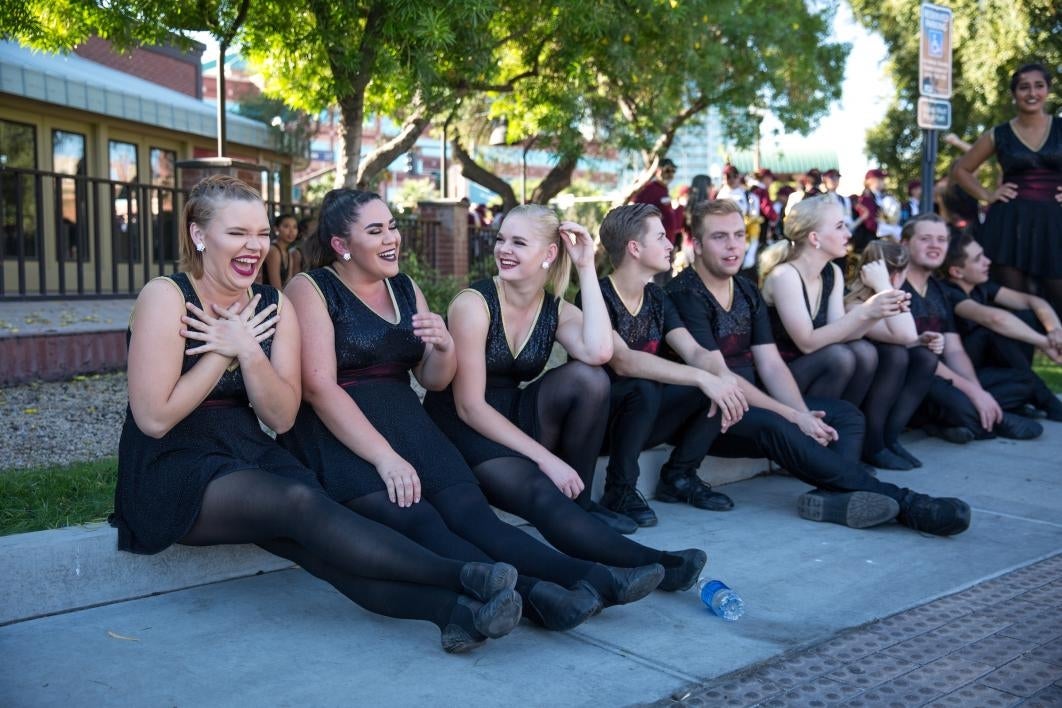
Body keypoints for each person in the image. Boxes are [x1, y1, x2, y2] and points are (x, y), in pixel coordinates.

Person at [110, 176, 522, 654]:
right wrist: (223, 354)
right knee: (301, 505)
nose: (255, 246)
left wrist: (250, 352)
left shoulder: (272, 303)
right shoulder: (166, 296)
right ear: (200, 236)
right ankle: (464, 575)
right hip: (172, 463)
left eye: (262, 233)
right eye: (237, 233)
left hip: (246, 451)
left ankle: (455, 614)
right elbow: (154, 419)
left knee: (319, 545)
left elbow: (282, 417)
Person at [280, 189, 656, 631]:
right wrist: (384, 457)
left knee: (473, 516)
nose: (391, 238)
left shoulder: (404, 286)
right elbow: (320, 387)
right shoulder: (311, 288)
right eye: (375, 230)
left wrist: (442, 346)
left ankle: (593, 578)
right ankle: (538, 597)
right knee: (422, 522)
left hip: (406, 420)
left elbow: (434, 378)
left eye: (393, 227)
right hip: (340, 432)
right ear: (342, 245)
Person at [424, 204, 708, 591]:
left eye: (519, 242)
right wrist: (548, 461)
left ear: (549, 254)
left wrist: (587, 267)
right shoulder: (473, 305)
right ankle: (650, 565)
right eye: (502, 239)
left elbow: (599, 353)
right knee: (539, 492)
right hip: (462, 427)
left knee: (589, 378)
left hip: (513, 413)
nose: (504, 249)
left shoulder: (555, 309)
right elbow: (469, 406)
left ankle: (583, 510)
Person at [665, 199, 971, 536]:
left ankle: (834, 498)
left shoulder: (746, 289)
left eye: (739, 235)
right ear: (696, 244)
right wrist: (793, 416)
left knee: (846, 417)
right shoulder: (685, 293)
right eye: (720, 237)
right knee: (778, 424)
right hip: (711, 416)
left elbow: (770, 363)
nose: (733, 245)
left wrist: (801, 412)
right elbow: (721, 376)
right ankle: (908, 504)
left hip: (753, 404)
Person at [584, 203, 749, 527]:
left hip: (647, 417)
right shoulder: (597, 295)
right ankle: (619, 489)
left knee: (711, 387)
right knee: (644, 386)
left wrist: (721, 377)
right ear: (634, 248)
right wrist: (702, 378)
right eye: (660, 237)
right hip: (602, 425)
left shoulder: (658, 298)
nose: (670, 245)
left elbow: (694, 351)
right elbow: (624, 361)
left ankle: (680, 475)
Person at [758, 197, 922, 470]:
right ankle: (806, 448)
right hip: (779, 379)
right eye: (839, 226)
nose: (848, 233)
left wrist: (876, 312)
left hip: (813, 372)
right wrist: (865, 312)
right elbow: (807, 342)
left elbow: (840, 332)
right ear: (815, 238)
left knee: (864, 352)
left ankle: (838, 442)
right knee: (841, 358)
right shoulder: (785, 275)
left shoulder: (831, 272)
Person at [899, 214, 1042, 443]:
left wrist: (978, 392)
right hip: (912, 377)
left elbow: (954, 350)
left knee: (1024, 382)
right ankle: (986, 419)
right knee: (958, 401)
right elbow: (914, 352)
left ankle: (962, 420)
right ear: (905, 244)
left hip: (945, 377)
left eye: (942, 239)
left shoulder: (937, 289)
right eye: (926, 239)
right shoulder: (897, 285)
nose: (936, 245)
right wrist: (973, 393)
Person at [951, 63, 1062, 316]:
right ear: (1014, 94)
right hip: (1010, 223)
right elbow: (961, 170)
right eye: (1024, 87)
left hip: (1055, 220)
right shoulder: (998, 134)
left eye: (1039, 86)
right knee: (1015, 301)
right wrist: (987, 195)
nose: (1031, 93)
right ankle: (1022, 348)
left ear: (1047, 90)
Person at [940, 233, 1062, 421]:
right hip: (963, 373)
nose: (988, 262)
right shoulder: (949, 292)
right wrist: (1045, 343)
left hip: (991, 370)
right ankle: (1046, 402)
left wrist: (1056, 333)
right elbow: (995, 319)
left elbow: (1033, 301)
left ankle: (1024, 400)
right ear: (957, 272)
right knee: (991, 331)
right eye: (978, 259)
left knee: (1026, 316)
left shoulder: (980, 286)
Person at [844, 240, 942, 468]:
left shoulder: (884, 296)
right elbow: (904, 336)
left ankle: (889, 438)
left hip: (879, 375)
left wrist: (922, 339)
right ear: (898, 275)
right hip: (857, 378)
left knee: (925, 357)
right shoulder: (854, 303)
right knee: (896, 355)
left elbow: (903, 336)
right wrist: (885, 287)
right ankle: (873, 443)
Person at [632, 158, 680, 246]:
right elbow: (637, 213)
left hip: (666, 244)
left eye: (673, 171)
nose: (670, 174)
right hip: (654, 244)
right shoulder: (649, 189)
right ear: (657, 170)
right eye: (667, 170)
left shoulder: (664, 189)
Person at [852, 169, 902, 251]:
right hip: (870, 243)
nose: (883, 182)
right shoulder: (866, 199)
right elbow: (870, 224)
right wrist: (891, 231)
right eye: (880, 179)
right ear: (870, 181)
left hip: (881, 240)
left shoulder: (881, 197)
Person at [262, 213, 301, 288]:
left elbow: (289, 282)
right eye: (286, 226)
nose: (291, 231)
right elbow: (276, 286)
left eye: (295, 227)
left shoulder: (288, 251)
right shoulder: (274, 251)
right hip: (270, 296)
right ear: (276, 229)